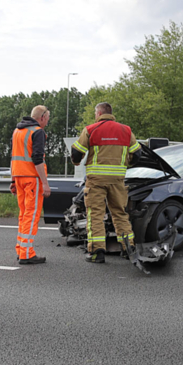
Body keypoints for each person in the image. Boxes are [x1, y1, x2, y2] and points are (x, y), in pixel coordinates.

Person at [70, 102, 141, 263]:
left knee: (95, 214)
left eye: (96, 113)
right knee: (120, 214)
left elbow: (76, 151)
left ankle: (97, 252)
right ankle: (127, 247)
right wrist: (125, 164)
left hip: (96, 180)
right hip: (117, 180)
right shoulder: (126, 130)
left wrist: (76, 162)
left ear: (99, 113)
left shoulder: (91, 129)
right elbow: (137, 153)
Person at [10, 105, 51, 265]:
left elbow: (14, 156)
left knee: (23, 214)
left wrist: (13, 180)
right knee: (31, 215)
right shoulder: (37, 132)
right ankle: (27, 253)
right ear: (42, 117)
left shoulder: (17, 131)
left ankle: (21, 249)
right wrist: (45, 183)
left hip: (19, 177)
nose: (47, 122)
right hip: (32, 178)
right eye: (47, 118)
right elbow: (37, 158)